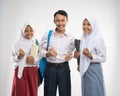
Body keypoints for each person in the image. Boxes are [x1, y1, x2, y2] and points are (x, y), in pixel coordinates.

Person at [40, 10, 75, 96]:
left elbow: (75, 52)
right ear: (54, 21)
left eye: (63, 20)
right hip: (50, 68)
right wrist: (48, 53)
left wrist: (71, 56)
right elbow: (40, 51)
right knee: (49, 93)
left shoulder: (71, 37)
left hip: (64, 68)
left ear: (67, 21)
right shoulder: (48, 34)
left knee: (65, 93)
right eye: (58, 20)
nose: (60, 23)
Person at [74, 17, 106, 96]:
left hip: (94, 70)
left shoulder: (97, 40)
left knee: (94, 92)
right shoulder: (84, 39)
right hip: (85, 71)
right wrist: (77, 56)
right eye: (84, 24)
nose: (85, 27)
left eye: (88, 24)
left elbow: (103, 58)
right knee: (86, 93)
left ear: (94, 26)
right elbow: (82, 55)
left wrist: (90, 55)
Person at [11, 23, 39, 96]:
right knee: (21, 91)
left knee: (32, 91)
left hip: (33, 71)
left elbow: (39, 58)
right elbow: (12, 59)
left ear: (34, 31)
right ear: (23, 32)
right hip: (21, 70)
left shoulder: (35, 43)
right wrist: (19, 57)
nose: (29, 33)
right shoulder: (18, 43)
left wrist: (33, 60)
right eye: (26, 31)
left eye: (31, 30)